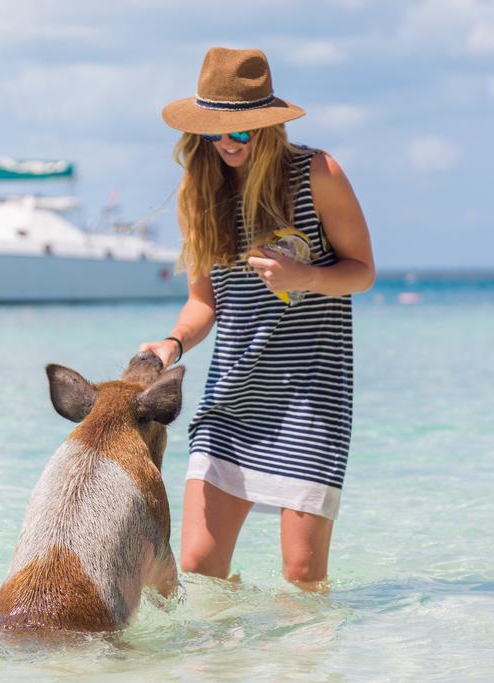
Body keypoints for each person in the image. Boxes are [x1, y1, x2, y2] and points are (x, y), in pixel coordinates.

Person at [139, 47, 374, 590]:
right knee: (198, 566)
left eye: (238, 134)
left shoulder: (317, 174)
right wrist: (171, 345)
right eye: (212, 132)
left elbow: (362, 272)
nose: (224, 144)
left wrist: (306, 278)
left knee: (302, 576)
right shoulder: (198, 190)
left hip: (310, 396)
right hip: (232, 395)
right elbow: (205, 303)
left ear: (265, 128)